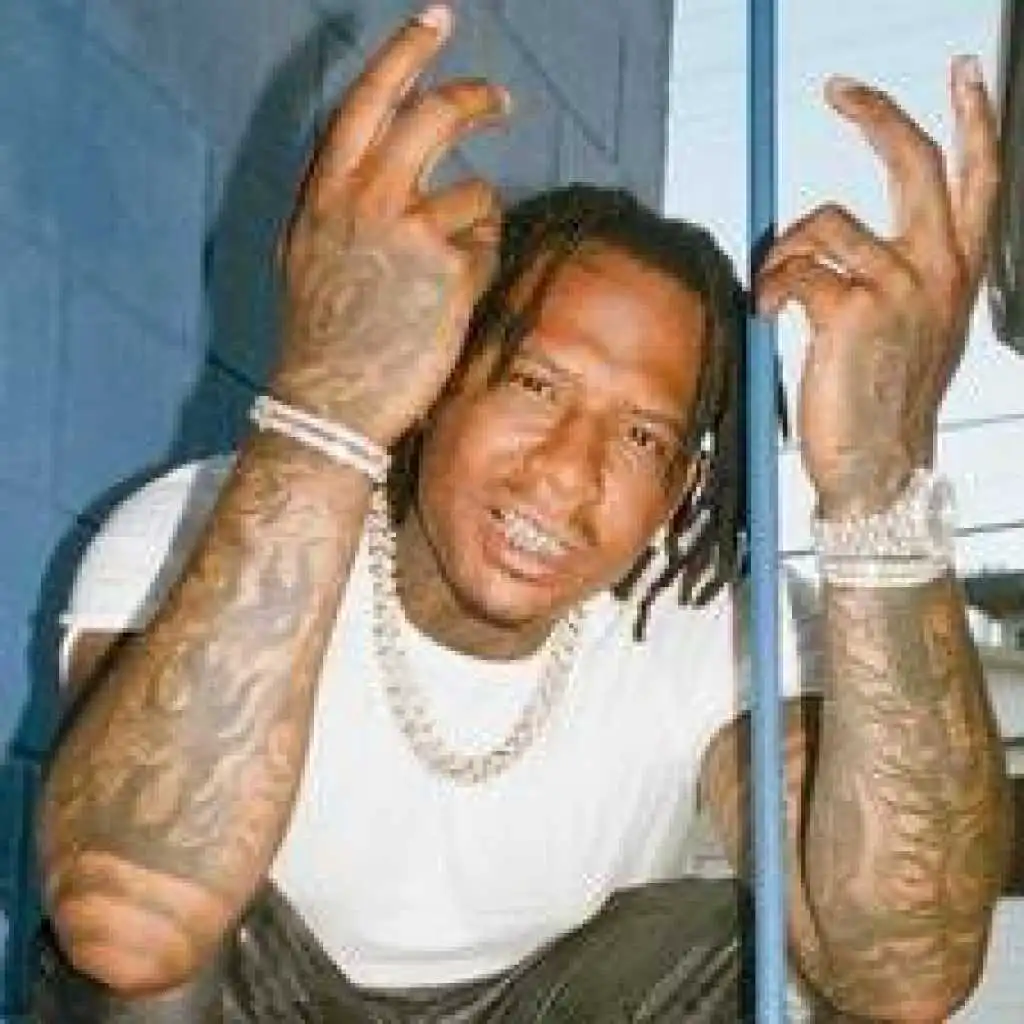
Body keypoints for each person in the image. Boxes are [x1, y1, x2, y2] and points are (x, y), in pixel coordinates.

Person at [33, 5, 1009, 1021]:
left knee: (735, 936)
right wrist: (325, 408)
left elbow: (900, 974)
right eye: (537, 386)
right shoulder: (202, 528)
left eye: (642, 438)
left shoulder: (708, 627)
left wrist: (882, 480)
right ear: (440, 378)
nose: (567, 474)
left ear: (679, 493)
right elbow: (124, 931)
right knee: (159, 940)